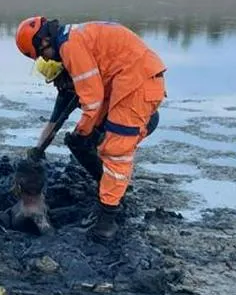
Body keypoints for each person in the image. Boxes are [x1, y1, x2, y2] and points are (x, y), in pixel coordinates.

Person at [16, 18, 166, 241]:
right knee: (86, 142)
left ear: (45, 41)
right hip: (125, 83)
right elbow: (55, 121)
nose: (45, 58)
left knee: (116, 150)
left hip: (135, 83)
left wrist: (82, 131)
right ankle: (109, 194)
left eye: (42, 54)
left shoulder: (71, 49)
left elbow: (93, 100)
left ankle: (107, 221)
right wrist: (37, 150)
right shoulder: (71, 48)